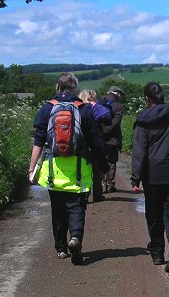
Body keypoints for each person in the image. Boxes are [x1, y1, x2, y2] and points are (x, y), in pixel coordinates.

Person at [28, 73, 107, 264]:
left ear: (58, 87)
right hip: (79, 170)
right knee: (77, 208)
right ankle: (76, 239)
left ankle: (61, 248)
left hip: (53, 171)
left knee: (58, 209)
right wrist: (102, 166)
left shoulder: (48, 108)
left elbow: (38, 140)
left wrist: (32, 168)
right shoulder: (84, 109)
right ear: (75, 88)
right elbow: (96, 142)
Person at [130, 82, 169, 273]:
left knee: (154, 215)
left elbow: (139, 150)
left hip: (152, 176)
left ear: (147, 98)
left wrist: (135, 177)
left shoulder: (143, 120)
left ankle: (157, 252)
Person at [78, 89, 112, 202]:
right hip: (95, 141)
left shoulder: (77, 108)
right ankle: (97, 195)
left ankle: (84, 195)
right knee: (96, 171)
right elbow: (105, 124)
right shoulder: (98, 109)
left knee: (83, 171)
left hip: (81, 145)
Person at [99, 86, 125, 194]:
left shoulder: (99, 101)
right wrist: (108, 130)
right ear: (118, 94)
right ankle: (110, 185)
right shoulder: (119, 106)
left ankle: (100, 185)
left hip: (99, 137)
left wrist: (101, 131)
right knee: (112, 161)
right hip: (112, 138)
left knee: (100, 160)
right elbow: (116, 122)